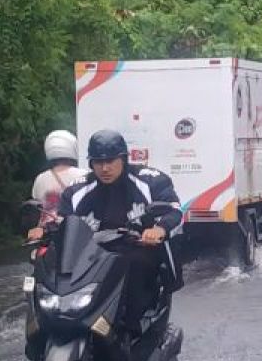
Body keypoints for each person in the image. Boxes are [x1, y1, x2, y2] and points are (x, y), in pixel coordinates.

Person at [58, 130, 184, 339]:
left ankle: (131, 331)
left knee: (133, 264)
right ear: (91, 164)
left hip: (138, 250)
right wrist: (42, 229)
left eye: (110, 161)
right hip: (92, 257)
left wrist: (158, 230)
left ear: (123, 159)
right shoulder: (77, 190)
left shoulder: (150, 181)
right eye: (98, 162)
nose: (105, 168)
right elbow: (61, 220)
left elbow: (174, 210)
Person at [27, 130, 87, 241]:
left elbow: (36, 205)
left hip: (46, 235)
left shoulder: (40, 179)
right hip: (74, 233)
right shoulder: (84, 175)